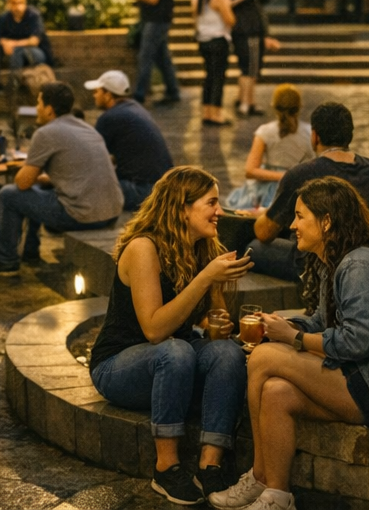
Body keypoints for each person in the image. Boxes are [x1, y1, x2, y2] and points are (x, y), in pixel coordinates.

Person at [214, 177, 369, 510]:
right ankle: (277, 495)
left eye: (301, 216)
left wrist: (294, 339)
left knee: (263, 358)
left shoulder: (357, 264)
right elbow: (322, 323)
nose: (292, 224)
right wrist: (287, 326)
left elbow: (358, 342)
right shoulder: (337, 260)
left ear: (326, 221)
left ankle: (258, 476)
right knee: (275, 393)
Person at [89, 167, 252, 505]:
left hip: (175, 357)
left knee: (228, 355)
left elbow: (215, 328)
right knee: (175, 351)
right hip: (119, 364)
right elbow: (154, 329)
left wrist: (221, 311)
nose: (220, 211)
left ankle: (210, 464)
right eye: (211, 203)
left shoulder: (202, 247)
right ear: (182, 208)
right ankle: (166, 467)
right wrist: (205, 278)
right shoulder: (143, 248)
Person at [248, 102, 369, 280]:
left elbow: (264, 232)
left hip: (319, 265)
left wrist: (262, 216)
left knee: (254, 247)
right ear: (349, 135)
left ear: (315, 136)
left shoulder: (301, 174)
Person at [0, 82, 124, 276]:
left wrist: (27, 171)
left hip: (83, 215)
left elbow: (22, 183)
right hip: (111, 211)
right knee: (38, 191)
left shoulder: (46, 132)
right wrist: (41, 179)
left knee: (9, 194)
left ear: (49, 110)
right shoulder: (86, 128)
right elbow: (77, 174)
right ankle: (27, 251)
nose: (36, 108)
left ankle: (2, 259)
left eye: (39, 103)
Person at [85, 70, 174, 211]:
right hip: (165, 189)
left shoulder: (109, 118)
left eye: (97, 92)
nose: (94, 95)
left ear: (108, 95)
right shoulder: (136, 108)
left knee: (82, 188)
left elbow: (90, 158)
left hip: (143, 192)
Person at [223, 85, 311, 215]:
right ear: (299, 106)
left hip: (269, 187)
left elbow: (250, 170)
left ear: (274, 106)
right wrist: (291, 176)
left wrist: (282, 176)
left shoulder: (265, 132)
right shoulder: (309, 132)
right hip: (297, 185)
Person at [127, 0, 180, 105]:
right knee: (162, 57)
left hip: (156, 20)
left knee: (146, 56)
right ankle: (173, 91)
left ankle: (139, 95)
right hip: (155, 19)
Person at [0, 0, 50, 97]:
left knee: (17, 50)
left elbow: (34, 41)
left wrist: (13, 44)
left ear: (25, 3)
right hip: (13, 54)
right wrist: (5, 43)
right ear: (9, 4)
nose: (18, 6)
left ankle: (14, 86)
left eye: (21, 2)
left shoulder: (33, 16)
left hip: (36, 54)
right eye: (14, 3)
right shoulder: (4, 18)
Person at [228, 0, 270, 117]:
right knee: (249, 68)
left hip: (255, 30)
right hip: (244, 31)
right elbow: (227, 4)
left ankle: (247, 100)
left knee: (253, 67)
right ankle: (245, 103)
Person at [194, 0, 236, 126]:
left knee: (208, 76)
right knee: (218, 77)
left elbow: (195, 22)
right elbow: (230, 20)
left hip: (203, 41)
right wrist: (228, 0)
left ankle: (206, 112)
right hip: (218, 41)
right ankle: (216, 114)